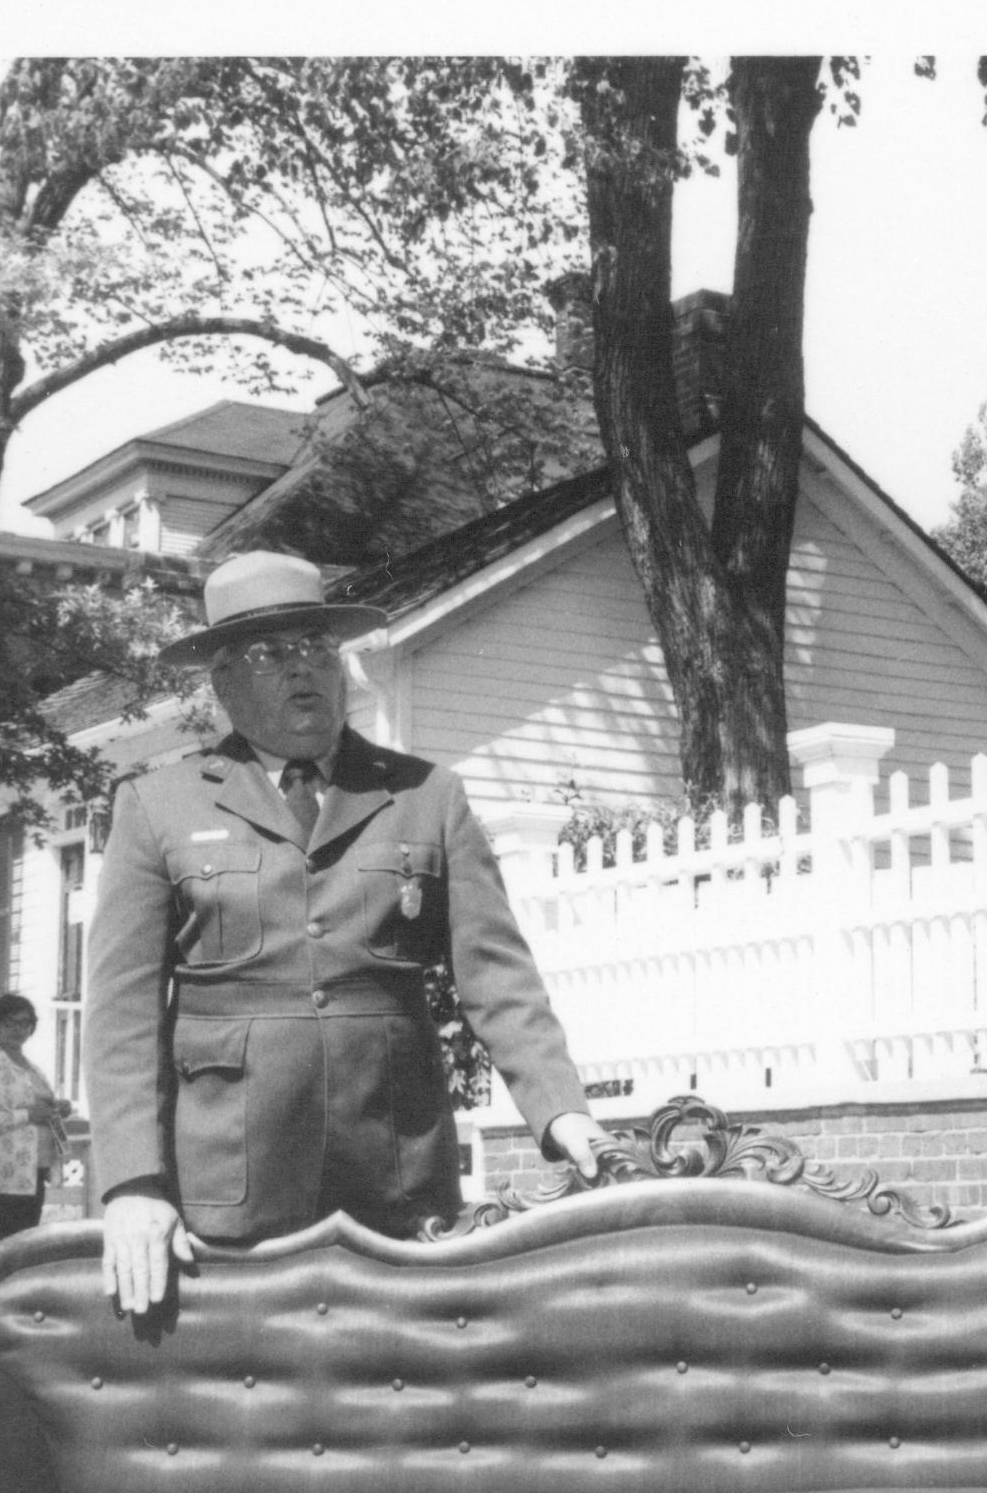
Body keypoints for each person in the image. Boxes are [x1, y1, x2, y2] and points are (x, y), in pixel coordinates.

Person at [88, 551, 611, 1317]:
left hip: (394, 1175)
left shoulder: (425, 796)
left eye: (315, 648)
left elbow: (497, 978)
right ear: (223, 681)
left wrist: (562, 1111)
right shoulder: (158, 806)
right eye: (270, 653)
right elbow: (121, 1016)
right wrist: (132, 1183)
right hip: (227, 1188)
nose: (302, 670)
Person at [0, 991, 68, 1250]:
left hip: (32, 1175)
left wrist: (55, 1110)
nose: (18, 1029)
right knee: (1, 1254)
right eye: (10, 1023)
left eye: (24, 1023)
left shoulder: (34, 1069)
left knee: (24, 1253)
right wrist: (26, 1114)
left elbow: (40, 1111)